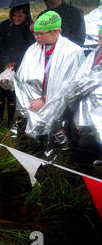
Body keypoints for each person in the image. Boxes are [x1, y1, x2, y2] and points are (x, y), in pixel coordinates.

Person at [14, 11, 85, 148]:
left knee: (52, 141)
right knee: (28, 141)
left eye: (41, 34)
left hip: (58, 106)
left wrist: (45, 100)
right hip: (31, 102)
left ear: (56, 31)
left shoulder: (72, 52)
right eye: (35, 33)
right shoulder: (33, 50)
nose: (36, 37)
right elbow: (22, 77)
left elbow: (70, 85)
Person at [0, 4, 34, 128]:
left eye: (20, 16)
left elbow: (30, 48)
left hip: (20, 65)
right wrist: (6, 62)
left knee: (12, 94)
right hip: (1, 64)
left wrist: (16, 63)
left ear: (26, 15)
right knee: (0, 92)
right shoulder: (3, 25)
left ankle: (10, 120)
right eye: (14, 15)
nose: (16, 18)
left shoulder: (29, 29)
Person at [70, 26, 102, 166]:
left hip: (98, 109)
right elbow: (82, 75)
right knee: (82, 142)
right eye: (100, 38)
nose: (100, 42)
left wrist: (94, 86)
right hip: (85, 106)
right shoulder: (95, 53)